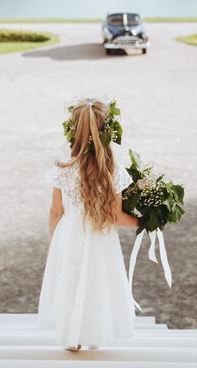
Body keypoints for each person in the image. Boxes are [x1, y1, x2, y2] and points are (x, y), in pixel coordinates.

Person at [36, 97, 141, 351]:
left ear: (73, 131)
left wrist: (54, 242)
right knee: (96, 282)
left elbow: (55, 212)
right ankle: (95, 332)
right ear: (108, 132)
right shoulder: (113, 172)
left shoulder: (63, 168)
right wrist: (141, 221)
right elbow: (115, 216)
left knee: (71, 281)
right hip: (99, 237)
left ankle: (73, 337)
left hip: (70, 235)